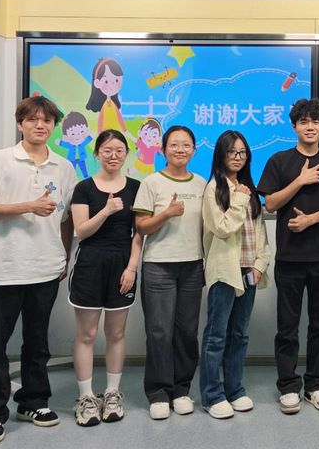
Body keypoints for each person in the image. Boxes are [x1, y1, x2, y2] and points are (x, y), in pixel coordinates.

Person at [0, 96, 77, 445]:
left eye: (47, 120)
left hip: (46, 269)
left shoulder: (64, 166)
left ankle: (33, 403)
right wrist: (29, 206)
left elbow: (66, 218)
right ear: (20, 124)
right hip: (4, 268)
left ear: (54, 126)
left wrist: (64, 256)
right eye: (32, 119)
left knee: (38, 342)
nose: (40, 125)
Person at [257, 98, 319, 415]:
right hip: (289, 259)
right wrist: (300, 180)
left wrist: (310, 220)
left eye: (316, 121)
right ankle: (288, 387)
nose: (310, 127)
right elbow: (271, 204)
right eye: (304, 121)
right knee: (287, 328)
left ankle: (317, 385)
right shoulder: (279, 160)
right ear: (294, 126)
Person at [69, 130, 143, 426]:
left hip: (122, 265)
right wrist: (106, 210)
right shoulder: (84, 188)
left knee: (116, 333)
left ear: (127, 154)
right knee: (87, 334)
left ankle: (112, 393)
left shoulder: (136, 187)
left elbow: (139, 233)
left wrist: (132, 267)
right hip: (90, 263)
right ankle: (86, 397)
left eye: (119, 150)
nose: (113, 156)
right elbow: (81, 231)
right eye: (107, 150)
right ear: (97, 153)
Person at [132, 125, 205, 420]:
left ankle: (181, 390)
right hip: (159, 265)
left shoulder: (201, 183)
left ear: (194, 151)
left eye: (186, 145)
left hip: (192, 265)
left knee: (187, 331)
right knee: (159, 331)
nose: (180, 150)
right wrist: (166, 214)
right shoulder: (151, 182)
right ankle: (159, 392)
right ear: (163, 150)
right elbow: (141, 227)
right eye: (174, 145)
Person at [200, 131, 271, 419]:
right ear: (221, 154)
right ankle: (211, 395)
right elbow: (222, 228)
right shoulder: (214, 189)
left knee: (239, 334)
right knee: (216, 335)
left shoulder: (248, 188)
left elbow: (261, 233)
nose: (238, 157)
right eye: (232, 152)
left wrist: (260, 265)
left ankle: (234, 390)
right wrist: (240, 199)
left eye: (242, 152)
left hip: (248, 270)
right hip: (224, 271)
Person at [85, 57, 132, 139]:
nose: (112, 84)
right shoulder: (105, 105)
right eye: (106, 81)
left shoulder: (112, 104)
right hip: (105, 135)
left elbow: (119, 117)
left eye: (116, 80)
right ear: (97, 83)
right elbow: (101, 120)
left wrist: (125, 130)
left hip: (116, 133)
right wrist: (100, 134)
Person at [56, 111, 93, 179]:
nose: (77, 136)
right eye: (73, 134)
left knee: (83, 167)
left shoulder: (82, 144)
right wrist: (60, 143)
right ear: (66, 137)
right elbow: (65, 145)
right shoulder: (70, 145)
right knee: (72, 168)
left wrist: (90, 137)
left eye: (81, 131)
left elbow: (86, 141)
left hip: (81, 158)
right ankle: (71, 176)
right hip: (72, 159)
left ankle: (85, 175)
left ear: (86, 130)